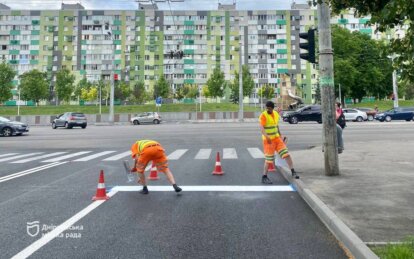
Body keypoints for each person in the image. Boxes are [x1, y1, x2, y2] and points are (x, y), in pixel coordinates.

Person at [259, 101, 299, 184]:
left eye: (269, 108)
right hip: (268, 141)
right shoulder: (263, 115)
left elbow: (276, 125)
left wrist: (280, 135)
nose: (267, 109)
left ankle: (293, 171)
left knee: (286, 154)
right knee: (269, 159)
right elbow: (262, 128)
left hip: (277, 139)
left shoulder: (275, 114)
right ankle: (264, 177)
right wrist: (267, 137)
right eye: (266, 108)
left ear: (272, 108)